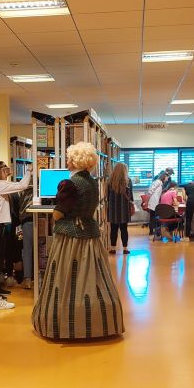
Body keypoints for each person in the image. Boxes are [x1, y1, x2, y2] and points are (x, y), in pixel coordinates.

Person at [32, 142, 124, 341]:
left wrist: (56, 213)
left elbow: (58, 213)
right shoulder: (93, 182)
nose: (67, 161)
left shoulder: (70, 184)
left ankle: (66, 323)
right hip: (90, 233)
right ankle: (99, 322)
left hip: (70, 237)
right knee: (92, 276)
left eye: (69, 158)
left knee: (67, 278)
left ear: (74, 160)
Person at [0, 161, 31, 310]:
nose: (7, 173)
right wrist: (29, 171)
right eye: (4, 171)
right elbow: (22, 185)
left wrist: (6, 173)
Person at [107, 161, 134, 254]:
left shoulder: (110, 181)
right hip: (124, 209)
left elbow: (107, 196)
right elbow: (130, 196)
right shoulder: (128, 181)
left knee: (113, 229)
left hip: (113, 209)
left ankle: (113, 248)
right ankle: (125, 249)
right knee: (124, 229)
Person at [12, 185, 35, 289]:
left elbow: (19, 210)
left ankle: (27, 279)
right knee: (42, 250)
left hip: (27, 221)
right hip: (44, 219)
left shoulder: (24, 193)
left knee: (27, 251)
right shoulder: (42, 191)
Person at [147, 171, 167, 236]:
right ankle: (153, 232)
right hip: (154, 201)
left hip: (155, 201)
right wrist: (147, 200)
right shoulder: (158, 182)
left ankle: (154, 232)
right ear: (164, 177)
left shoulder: (160, 182)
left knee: (153, 217)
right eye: (167, 177)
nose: (167, 179)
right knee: (153, 217)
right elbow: (151, 190)